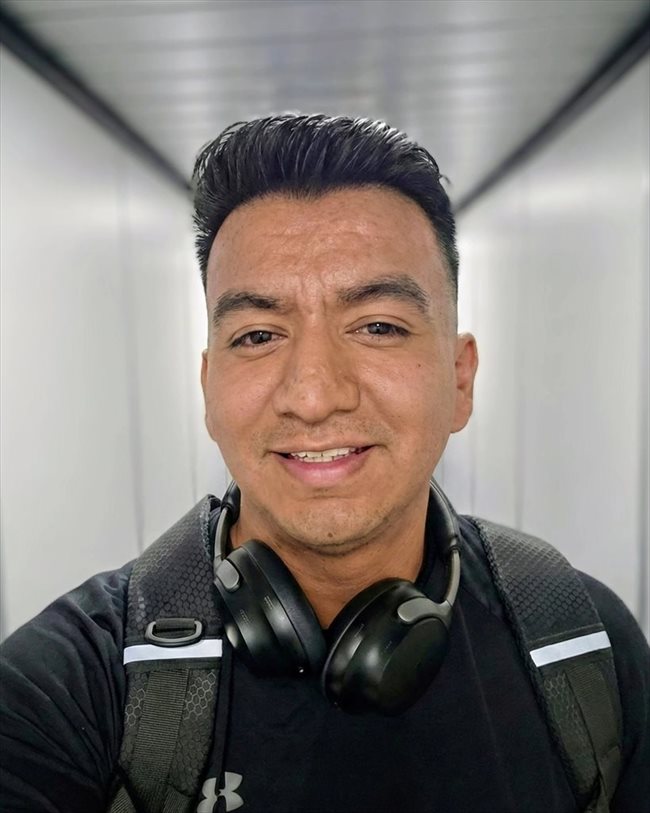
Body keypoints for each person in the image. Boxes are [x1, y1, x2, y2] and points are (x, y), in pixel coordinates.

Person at [1, 114, 648, 813]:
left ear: (460, 379)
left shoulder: (582, 643)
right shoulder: (71, 683)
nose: (313, 396)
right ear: (209, 389)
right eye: (258, 335)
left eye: (378, 326)